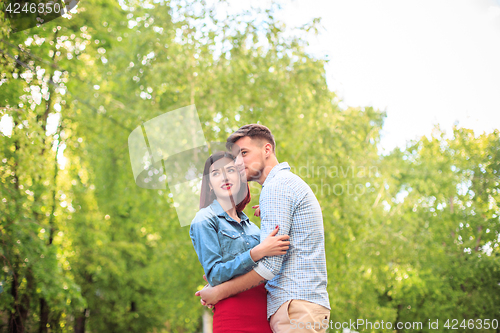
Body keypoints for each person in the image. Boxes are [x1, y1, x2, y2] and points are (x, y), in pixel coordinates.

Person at [196, 124, 331, 333]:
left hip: (295, 307)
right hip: (294, 306)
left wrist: (219, 292)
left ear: (267, 150)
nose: (239, 163)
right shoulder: (283, 186)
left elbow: (269, 266)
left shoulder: (275, 187)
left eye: (244, 153)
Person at [189, 150, 290, 333]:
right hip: (233, 316)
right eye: (216, 173)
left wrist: (271, 209)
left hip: (266, 312)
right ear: (210, 184)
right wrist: (256, 253)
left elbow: (274, 260)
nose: (224, 177)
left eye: (230, 170)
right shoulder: (204, 219)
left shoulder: (251, 226)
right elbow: (215, 274)